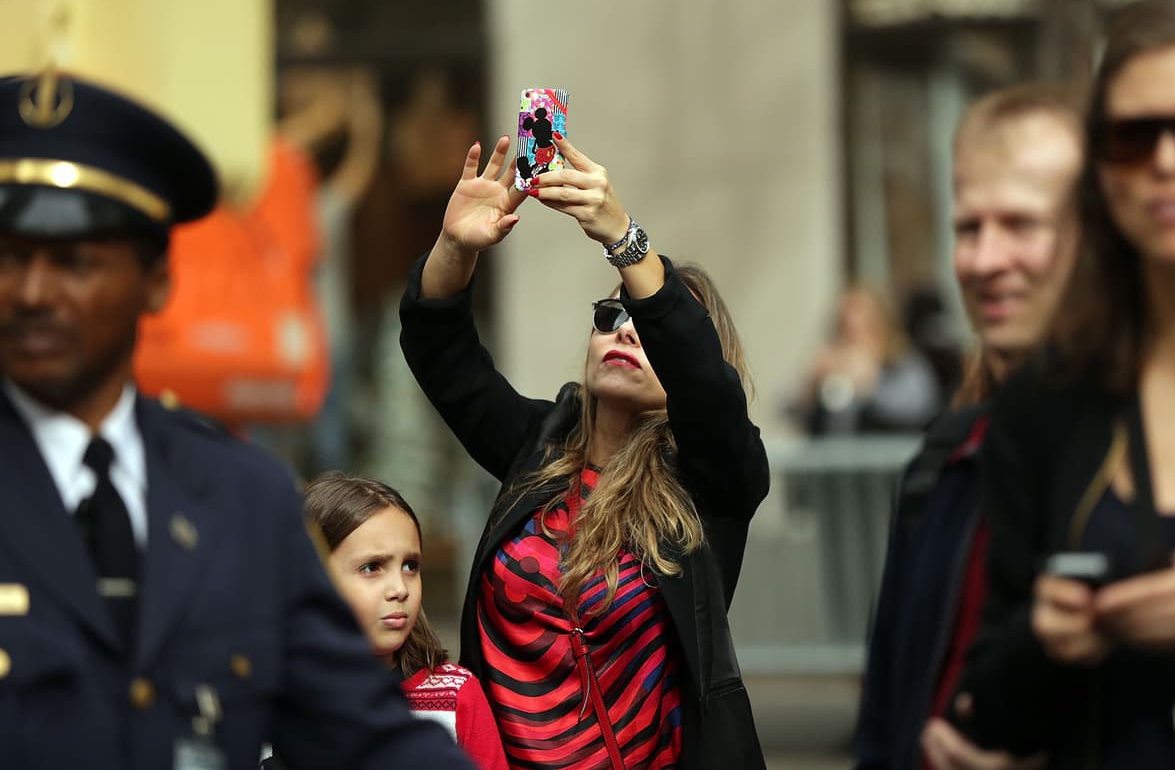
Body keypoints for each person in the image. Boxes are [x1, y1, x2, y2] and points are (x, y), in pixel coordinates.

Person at [0, 70, 473, 770]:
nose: (33, 291)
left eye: (75, 261)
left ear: (157, 277)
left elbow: (371, 740)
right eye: (10, 256)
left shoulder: (242, 498)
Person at [954, 0, 1175, 768]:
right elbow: (992, 707)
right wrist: (1045, 636)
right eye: (1132, 138)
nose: (1169, 161)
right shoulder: (1050, 399)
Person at [399, 132, 769, 769]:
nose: (625, 329)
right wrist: (454, 248)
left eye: (648, 326)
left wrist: (624, 239)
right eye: (610, 316)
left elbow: (708, 393)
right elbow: (441, 351)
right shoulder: (537, 448)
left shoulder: (713, 482)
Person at [852, 83, 1083, 770]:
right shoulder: (945, 461)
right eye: (968, 228)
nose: (984, 261)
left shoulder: (1150, 456)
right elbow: (887, 718)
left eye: (1021, 225)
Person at [299, 472, 508, 770]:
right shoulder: (265, 696)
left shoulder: (454, 695)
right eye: (372, 567)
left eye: (410, 565)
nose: (399, 589)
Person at [794, 283, 942, 435]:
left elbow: (921, 407)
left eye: (863, 326)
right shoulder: (832, 365)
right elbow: (786, 410)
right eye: (845, 327)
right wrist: (811, 386)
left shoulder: (903, 362)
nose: (854, 336)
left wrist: (871, 385)